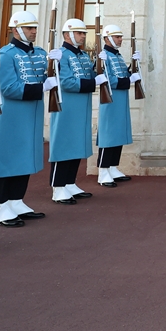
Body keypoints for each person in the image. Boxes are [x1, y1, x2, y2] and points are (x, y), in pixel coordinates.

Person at [0, 11, 55, 226]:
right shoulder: (7, 54)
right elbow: (8, 88)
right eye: (29, 28)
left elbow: (46, 76)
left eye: (34, 28)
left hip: (32, 112)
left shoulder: (41, 53)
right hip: (12, 114)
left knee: (25, 156)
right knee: (4, 158)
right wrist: (42, 87)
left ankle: (16, 199)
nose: (34, 31)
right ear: (16, 30)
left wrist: (56, 67)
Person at [47, 18, 97, 204]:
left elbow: (90, 75)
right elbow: (67, 82)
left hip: (81, 106)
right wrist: (93, 83)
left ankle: (69, 182)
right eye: (79, 33)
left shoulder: (83, 56)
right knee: (63, 145)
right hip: (66, 106)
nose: (83, 36)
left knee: (76, 144)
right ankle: (58, 187)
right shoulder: (61, 55)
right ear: (67, 34)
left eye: (84, 33)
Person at [96, 24, 139, 187]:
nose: (120, 39)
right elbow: (109, 79)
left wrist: (134, 66)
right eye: (117, 37)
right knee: (108, 134)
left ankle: (113, 167)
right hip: (110, 99)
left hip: (120, 98)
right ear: (106, 38)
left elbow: (123, 74)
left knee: (118, 133)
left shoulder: (118, 56)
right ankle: (103, 170)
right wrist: (129, 80)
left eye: (120, 37)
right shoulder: (103, 56)